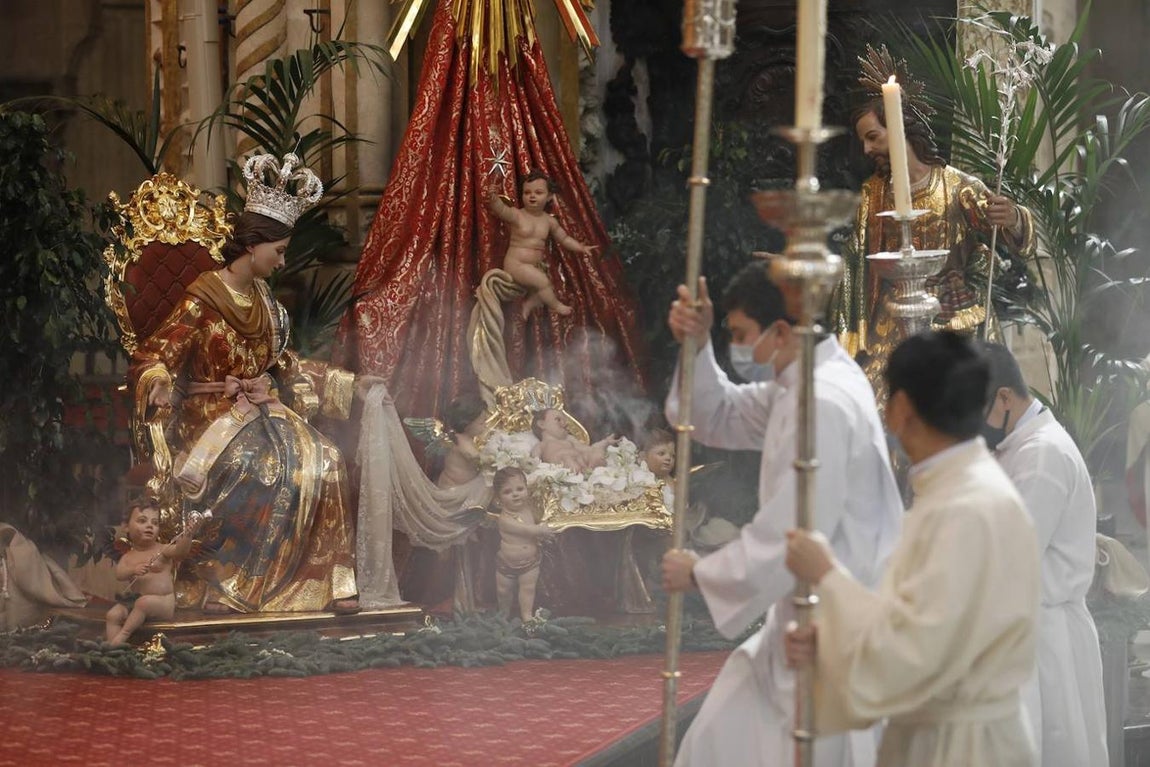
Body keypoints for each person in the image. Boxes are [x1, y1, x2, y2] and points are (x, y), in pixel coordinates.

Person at [660, 262, 903, 767]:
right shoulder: (802, 384)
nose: (739, 348)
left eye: (741, 335)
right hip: (800, 620)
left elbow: (790, 536)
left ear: (782, 331)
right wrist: (697, 343)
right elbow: (711, 415)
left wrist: (701, 573)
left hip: (828, 625)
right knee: (715, 741)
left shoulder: (824, 403)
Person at [130, 152, 382, 614]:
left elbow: (283, 362)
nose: (283, 261)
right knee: (263, 467)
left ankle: (326, 583)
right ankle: (232, 584)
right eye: (280, 250)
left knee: (326, 459)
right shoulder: (203, 297)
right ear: (253, 245)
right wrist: (158, 379)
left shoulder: (265, 300)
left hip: (263, 411)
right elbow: (156, 353)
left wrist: (349, 383)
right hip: (211, 418)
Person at [785, 331, 1040, 767]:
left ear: (899, 408)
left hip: (959, 748)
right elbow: (920, 621)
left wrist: (827, 575)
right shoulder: (958, 488)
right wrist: (830, 642)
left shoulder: (965, 507)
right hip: (944, 732)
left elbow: (910, 655)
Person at [832, 51, 1036, 397]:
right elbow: (855, 262)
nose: (866, 150)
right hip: (890, 324)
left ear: (899, 131)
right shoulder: (873, 192)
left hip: (953, 321)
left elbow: (1011, 233)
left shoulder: (956, 187)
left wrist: (1012, 217)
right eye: (863, 140)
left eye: (873, 137)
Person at [979, 341, 1108, 767]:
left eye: (974, 412)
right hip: (1026, 626)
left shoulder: (1043, 454)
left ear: (1004, 398)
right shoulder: (1017, 447)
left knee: (1051, 748)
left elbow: (1011, 557)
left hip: (1048, 638)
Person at [488, 170, 597, 318]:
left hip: (534, 266)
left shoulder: (549, 221)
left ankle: (529, 304)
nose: (532, 196)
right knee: (543, 282)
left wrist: (581, 247)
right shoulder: (518, 215)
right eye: (527, 192)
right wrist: (494, 199)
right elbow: (502, 210)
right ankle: (557, 306)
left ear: (549, 197)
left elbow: (564, 239)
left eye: (538, 192)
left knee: (545, 287)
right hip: (516, 265)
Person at [105, 502, 206, 645]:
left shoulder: (162, 550)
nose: (149, 526)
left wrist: (188, 534)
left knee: (143, 603)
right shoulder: (129, 556)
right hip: (136, 602)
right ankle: (112, 647)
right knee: (113, 614)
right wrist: (133, 570)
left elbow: (181, 551)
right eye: (142, 521)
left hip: (163, 602)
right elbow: (119, 574)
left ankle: (123, 636)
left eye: (155, 523)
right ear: (126, 526)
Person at [492, 467, 554, 621]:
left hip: (530, 562)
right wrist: (541, 530)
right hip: (506, 564)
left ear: (527, 489)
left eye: (520, 489)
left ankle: (527, 616)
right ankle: (503, 615)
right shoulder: (504, 519)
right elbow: (526, 530)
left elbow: (542, 517)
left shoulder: (530, 509)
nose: (515, 494)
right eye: (507, 492)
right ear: (498, 498)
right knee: (503, 591)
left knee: (528, 589)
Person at [531, 408, 618, 473]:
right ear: (542, 424)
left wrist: (606, 442)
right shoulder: (541, 445)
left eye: (565, 421)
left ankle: (593, 471)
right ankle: (583, 474)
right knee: (568, 460)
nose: (564, 424)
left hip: (581, 459)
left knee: (596, 454)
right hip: (563, 463)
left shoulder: (569, 439)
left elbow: (587, 449)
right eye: (558, 419)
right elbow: (534, 463)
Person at [436, 394, 488, 489]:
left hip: (456, 482)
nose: (485, 425)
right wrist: (494, 457)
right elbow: (475, 457)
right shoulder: (463, 441)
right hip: (457, 487)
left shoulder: (458, 437)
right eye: (482, 423)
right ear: (467, 424)